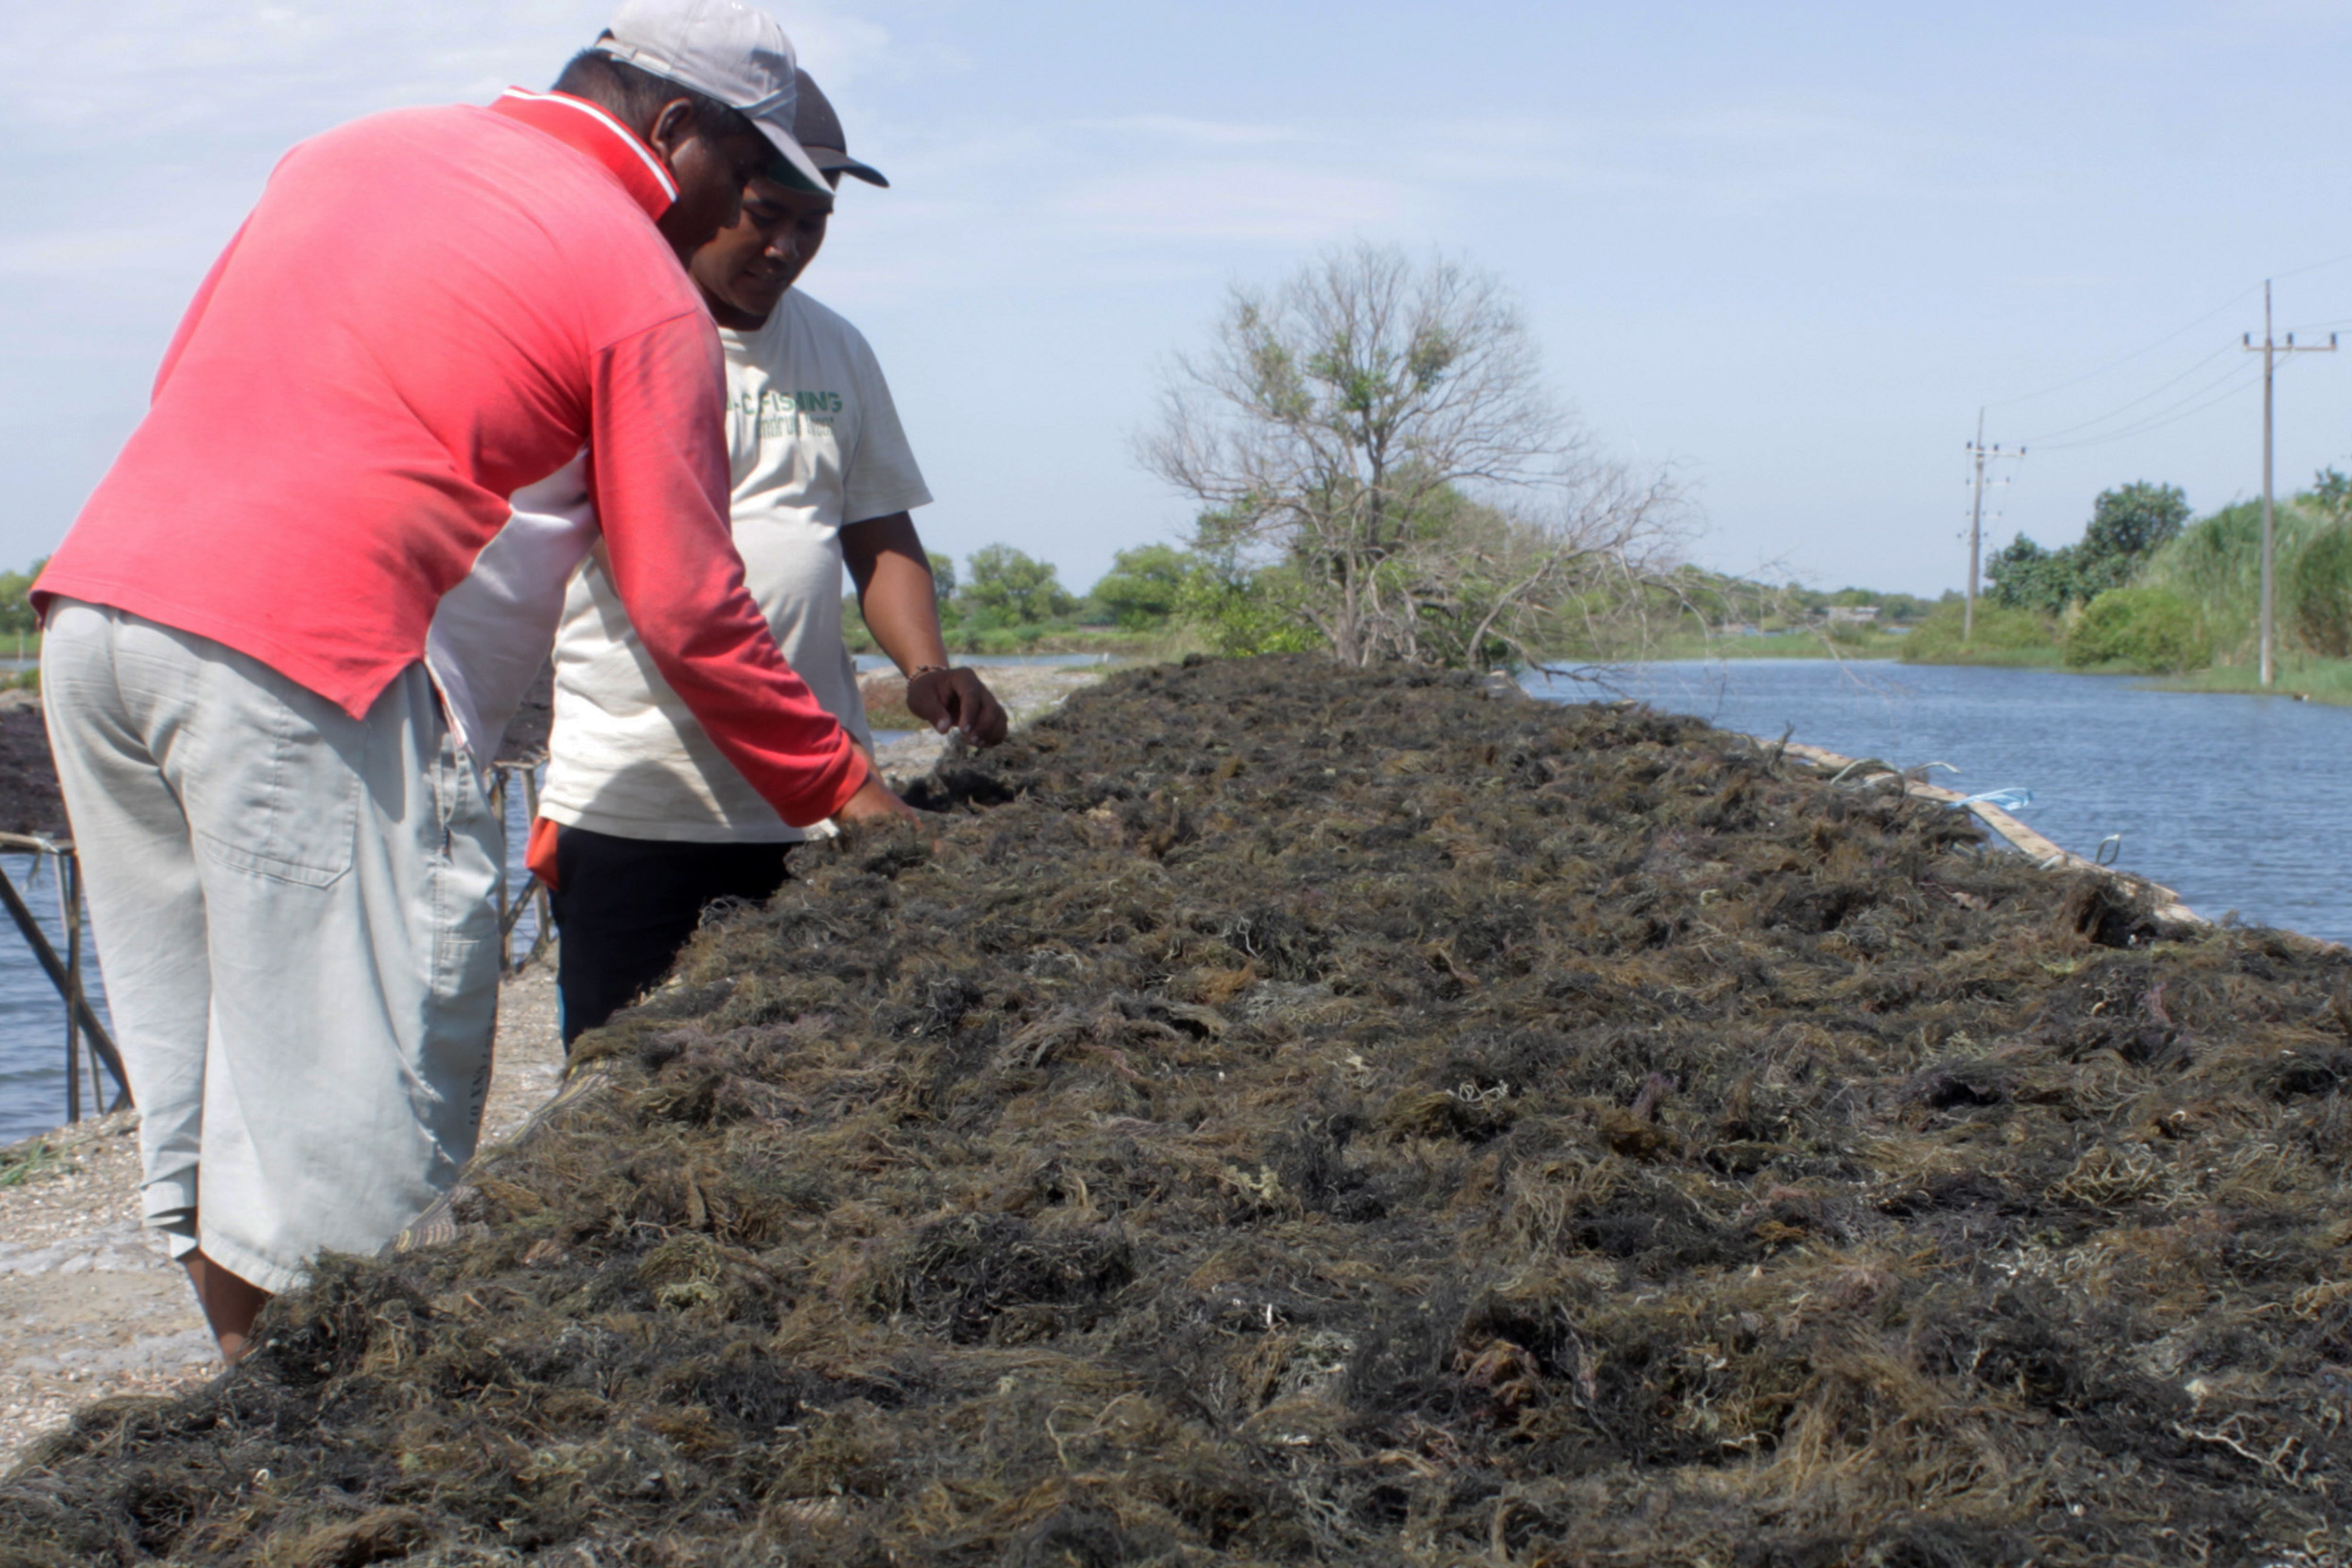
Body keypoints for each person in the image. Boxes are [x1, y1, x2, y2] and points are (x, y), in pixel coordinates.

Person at [34, 0, 917, 1363]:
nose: (763, 228)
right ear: (673, 129)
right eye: (751, 184)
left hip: (104, 619)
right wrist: (851, 793)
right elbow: (688, 604)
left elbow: (191, 379)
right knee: (360, 1122)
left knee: (216, 1091)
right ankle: (346, 1459)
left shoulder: (347, 152)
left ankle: (254, 1419)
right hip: (307, 666)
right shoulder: (637, 285)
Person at [534, 70, 1007, 1046]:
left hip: (811, 808)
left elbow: (875, 531)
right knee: (620, 1078)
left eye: (813, 223)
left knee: (814, 1071)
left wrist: (925, 670)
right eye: (763, 215)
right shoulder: (621, 330)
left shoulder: (837, 350)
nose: (785, 247)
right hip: (638, 800)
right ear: (708, 188)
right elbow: (669, 598)